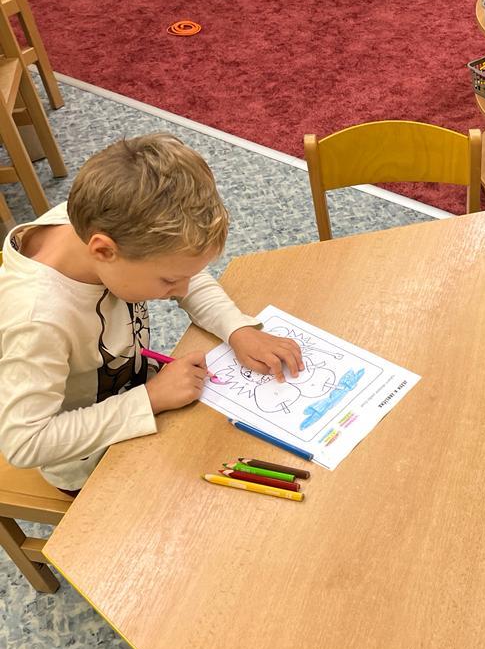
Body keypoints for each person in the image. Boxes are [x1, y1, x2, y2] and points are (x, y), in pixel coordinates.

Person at [0, 133, 302, 493]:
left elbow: (183, 268)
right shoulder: (37, 320)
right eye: (169, 281)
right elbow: (25, 443)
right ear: (104, 251)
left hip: (147, 394)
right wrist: (151, 398)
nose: (184, 290)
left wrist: (237, 329)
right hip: (90, 463)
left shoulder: (108, 220)